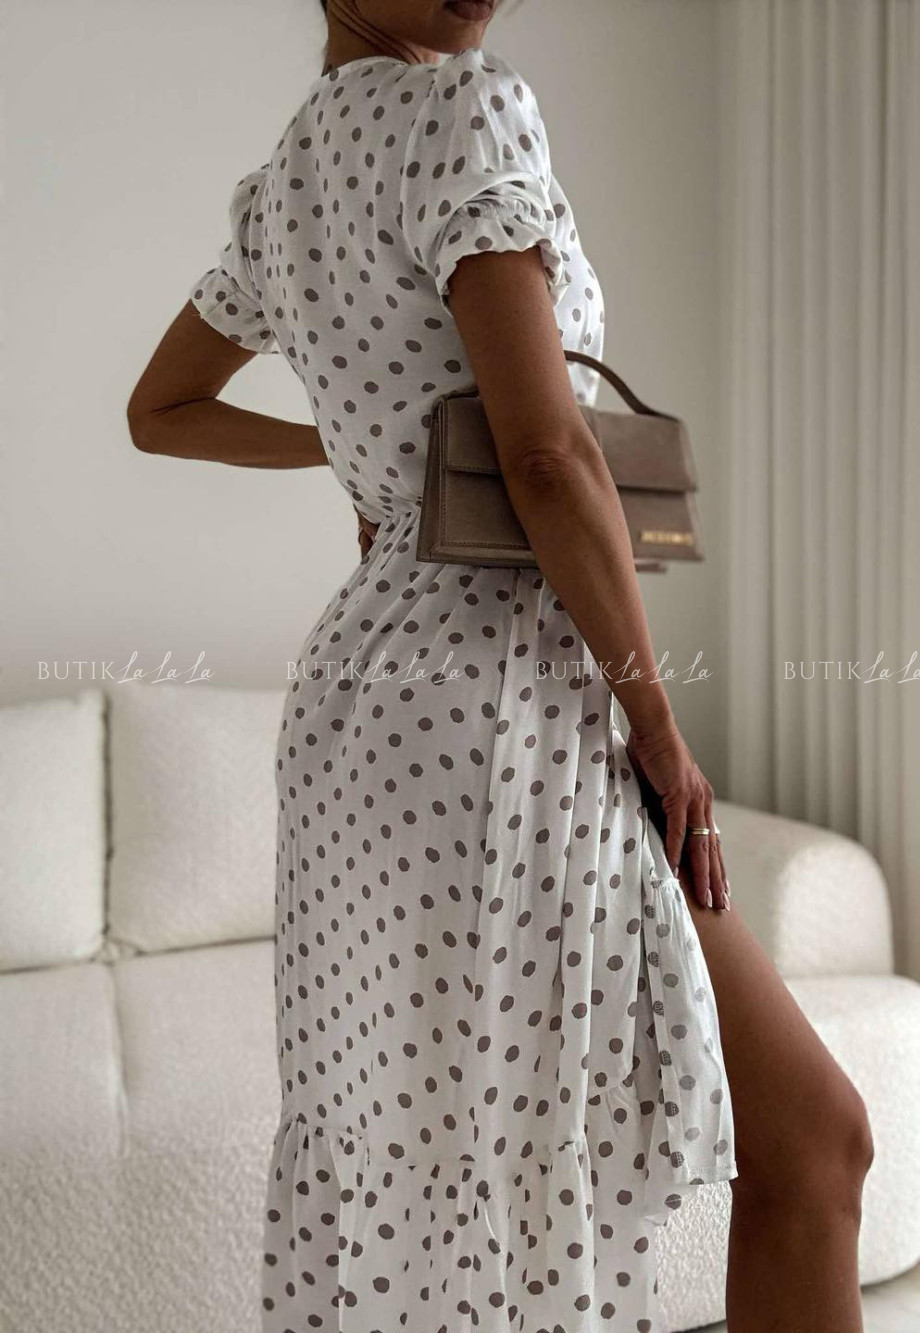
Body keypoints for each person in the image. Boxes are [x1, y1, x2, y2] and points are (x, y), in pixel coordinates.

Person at [127, 1, 875, 1328]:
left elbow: (161, 410)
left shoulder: (287, 181)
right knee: (800, 1143)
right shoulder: (463, 111)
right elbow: (547, 456)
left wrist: (373, 469)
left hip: (363, 706)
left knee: (435, 1170)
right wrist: (660, 730)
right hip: (504, 696)